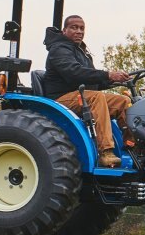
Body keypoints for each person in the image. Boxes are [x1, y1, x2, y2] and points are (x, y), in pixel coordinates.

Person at [42, 15, 132, 168]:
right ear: (64, 30)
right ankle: (105, 152)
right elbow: (74, 73)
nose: (79, 31)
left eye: (82, 28)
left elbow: (91, 78)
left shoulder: (81, 51)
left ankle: (131, 145)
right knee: (96, 98)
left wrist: (114, 80)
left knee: (123, 102)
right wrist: (108, 74)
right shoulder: (59, 49)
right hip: (60, 99)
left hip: (81, 95)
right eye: (74, 27)